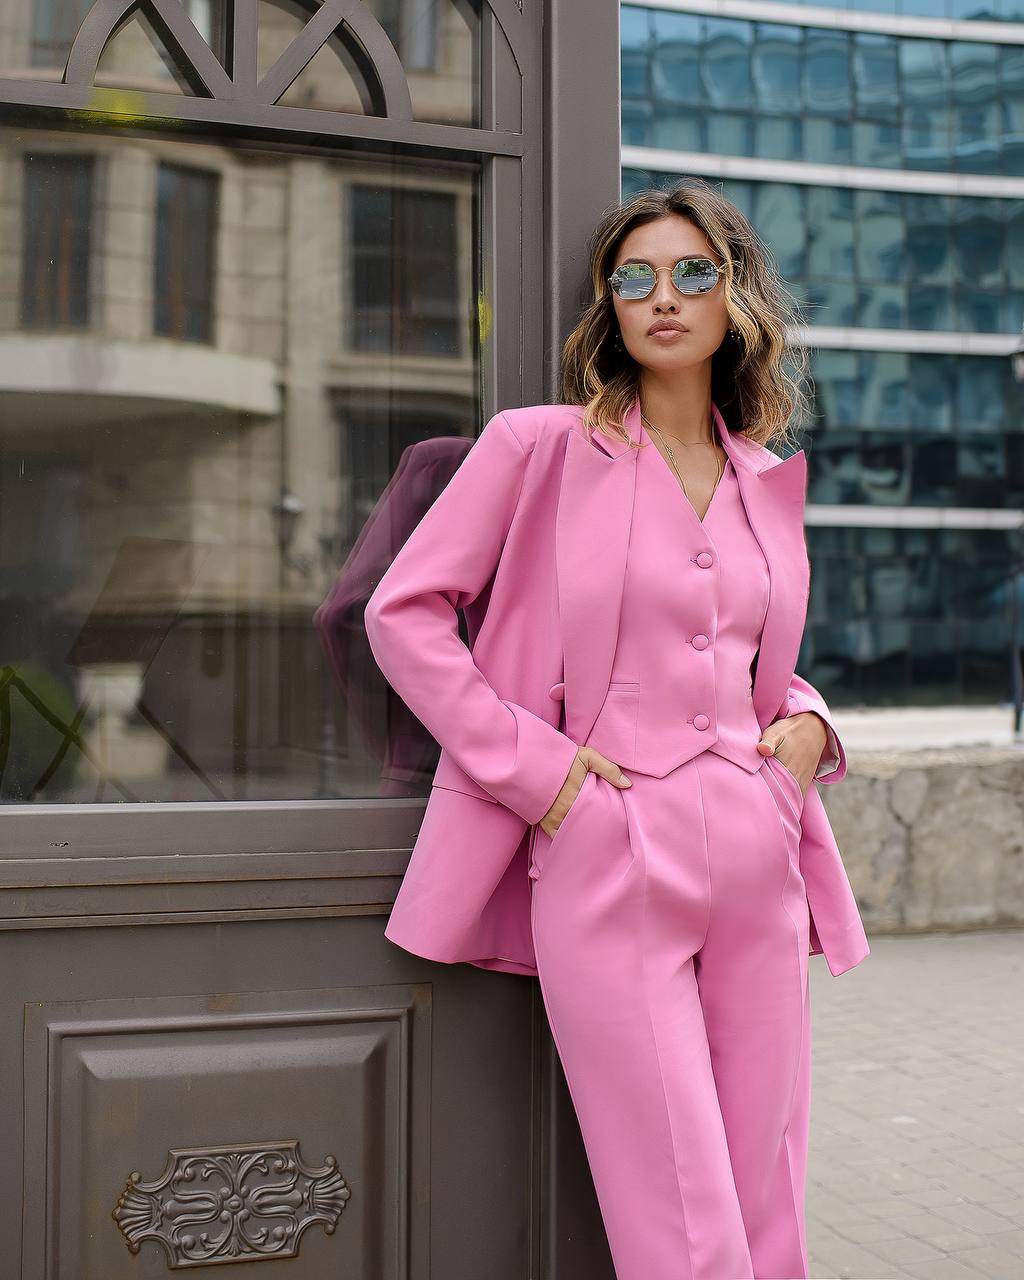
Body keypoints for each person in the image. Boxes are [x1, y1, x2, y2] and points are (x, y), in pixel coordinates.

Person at [364, 176, 869, 1280]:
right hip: (607, 849)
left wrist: (808, 726)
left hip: (760, 849)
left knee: (768, 1198)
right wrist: (539, 776)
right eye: (634, 278)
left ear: (736, 296)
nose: (663, 297)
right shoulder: (539, 447)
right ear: (610, 305)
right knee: (681, 1215)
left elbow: (746, 656)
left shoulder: (762, 477)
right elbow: (402, 614)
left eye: (692, 272)